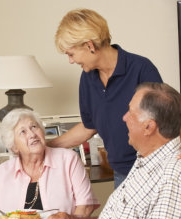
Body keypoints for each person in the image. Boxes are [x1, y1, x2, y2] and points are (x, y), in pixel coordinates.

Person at [45, 82, 181, 219]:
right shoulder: (147, 157)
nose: (124, 118)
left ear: (149, 127)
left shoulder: (172, 175)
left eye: (130, 112)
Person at [48, 8, 163, 188]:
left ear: (89, 45)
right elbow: (88, 127)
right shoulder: (88, 78)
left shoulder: (141, 69)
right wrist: (47, 146)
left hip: (153, 173)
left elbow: (168, 121)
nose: (71, 61)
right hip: (121, 174)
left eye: (71, 54)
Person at [0, 109, 99, 217]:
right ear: (14, 146)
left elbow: (85, 207)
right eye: (23, 132)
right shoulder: (3, 171)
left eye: (34, 127)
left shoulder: (69, 160)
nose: (32, 134)